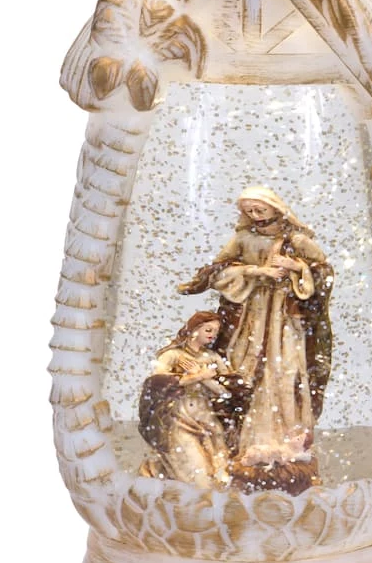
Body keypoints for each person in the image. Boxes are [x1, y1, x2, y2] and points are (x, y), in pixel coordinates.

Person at [179, 186, 333, 492]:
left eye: (260, 210)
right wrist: (255, 272)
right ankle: (243, 442)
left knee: (284, 370)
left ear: (276, 208)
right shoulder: (243, 239)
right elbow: (219, 270)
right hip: (250, 315)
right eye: (249, 211)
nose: (255, 215)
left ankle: (285, 439)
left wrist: (296, 268)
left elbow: (324, 272)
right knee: (245, 367)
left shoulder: (296, 240)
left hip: (284, 318)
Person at [137, 312, 249, 488]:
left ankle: (161, 470)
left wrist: (205, 378)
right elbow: (156, 383)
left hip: (208, 421)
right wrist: (196, 376)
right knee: (198, 478)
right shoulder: (172, 355)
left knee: (221, 476)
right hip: (178, 419)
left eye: (216, 331)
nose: (212, 335)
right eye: (208, 330)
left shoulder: (213, 357)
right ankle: (157, 470)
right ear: (194, 329)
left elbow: (226, 393)